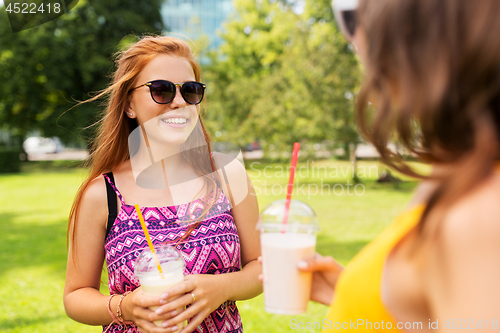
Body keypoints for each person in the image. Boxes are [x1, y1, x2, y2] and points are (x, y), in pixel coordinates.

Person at [297, 0, 500, 330]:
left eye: (353, 19)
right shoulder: (460, 173)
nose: (354, 40)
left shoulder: (477, 215)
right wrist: (361, 294)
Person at [63, 35, 262, 333]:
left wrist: (221, 287)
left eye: (191, 91)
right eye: (161, 90)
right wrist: (125, 307)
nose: (180, 102)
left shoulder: (227, 174)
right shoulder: (102, 194)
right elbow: (75, 296)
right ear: (129, 104)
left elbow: (261, 266)